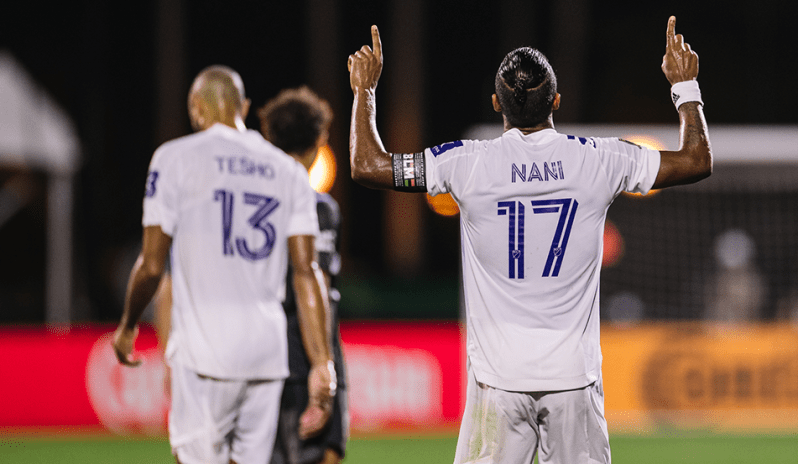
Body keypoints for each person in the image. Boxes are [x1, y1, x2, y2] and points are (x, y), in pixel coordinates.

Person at [347, 17, 711, 464]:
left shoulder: (465, 162)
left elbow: (367, 165)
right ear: (556, 100)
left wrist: (365, 90)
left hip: (497, 381)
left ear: (496, 102)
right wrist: (685, 85)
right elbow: (697, 159)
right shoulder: (599, 159)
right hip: (573, 380)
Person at [112, 65, 337, 464]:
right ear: (245, 107)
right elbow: (307, 271)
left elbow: (151, 266)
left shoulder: (174, 158)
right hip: (266, 356)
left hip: (204, 353)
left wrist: (129, 324)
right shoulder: (287, 170)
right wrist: (322, 362)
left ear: (196, 108)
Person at [257, 86, 349, 464]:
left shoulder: (252, 204)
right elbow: (318, 284)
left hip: (261, 353)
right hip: (305, 351)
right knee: (320, 455)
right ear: (319, 141)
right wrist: (323, 366)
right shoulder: (318, 208)